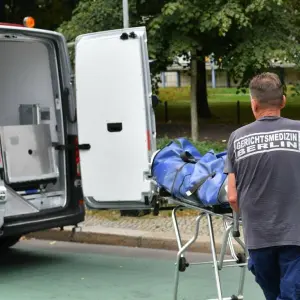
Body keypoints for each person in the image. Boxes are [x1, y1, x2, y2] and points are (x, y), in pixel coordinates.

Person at [224, 72, 300, 300]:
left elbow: (232, 197)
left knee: (275, 294)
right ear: (283, 101)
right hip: (296, 235)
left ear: (253, 104)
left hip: (259, 237)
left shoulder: (237, 137)